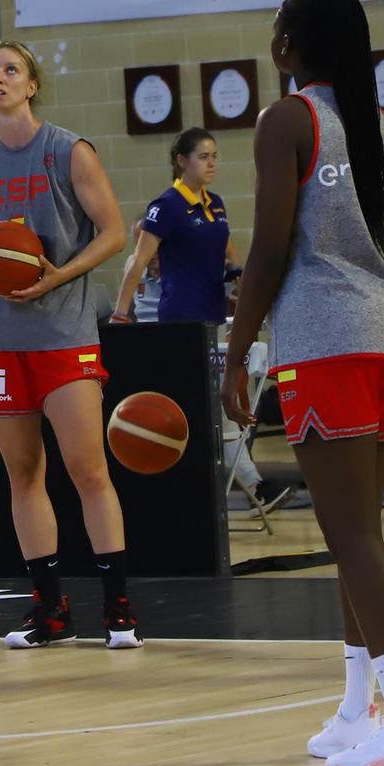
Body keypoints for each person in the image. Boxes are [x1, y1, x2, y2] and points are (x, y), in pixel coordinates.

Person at [222, 0, 384, 766]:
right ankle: (362, 709)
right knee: (360, 533)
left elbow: (270, 249)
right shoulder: (373, 120)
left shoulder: (286, 120)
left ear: (289, 44)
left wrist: (235, 350)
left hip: (328, 335)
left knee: (351, 537)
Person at [0, 40, 138, 650]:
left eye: (10, 70)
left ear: (32, 85)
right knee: (23, 473)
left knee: (86, 469)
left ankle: (119, 608)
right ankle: (51, 611)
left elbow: (113, 232)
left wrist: (59, 275)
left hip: (62, 333)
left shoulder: (68, 150)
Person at [111, 128, 290, 513]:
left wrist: (243, 281)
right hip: (182, 323)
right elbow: (138, 261)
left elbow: (224, 260)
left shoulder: (216, 204)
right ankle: (215, 491)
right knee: (200, 407)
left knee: (222, 406)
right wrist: (121, 314)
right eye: (203, 156)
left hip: (216, 319)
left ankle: (235, 490)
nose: (212, 163)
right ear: (181, 160)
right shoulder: (167, 205)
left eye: (214, 156)